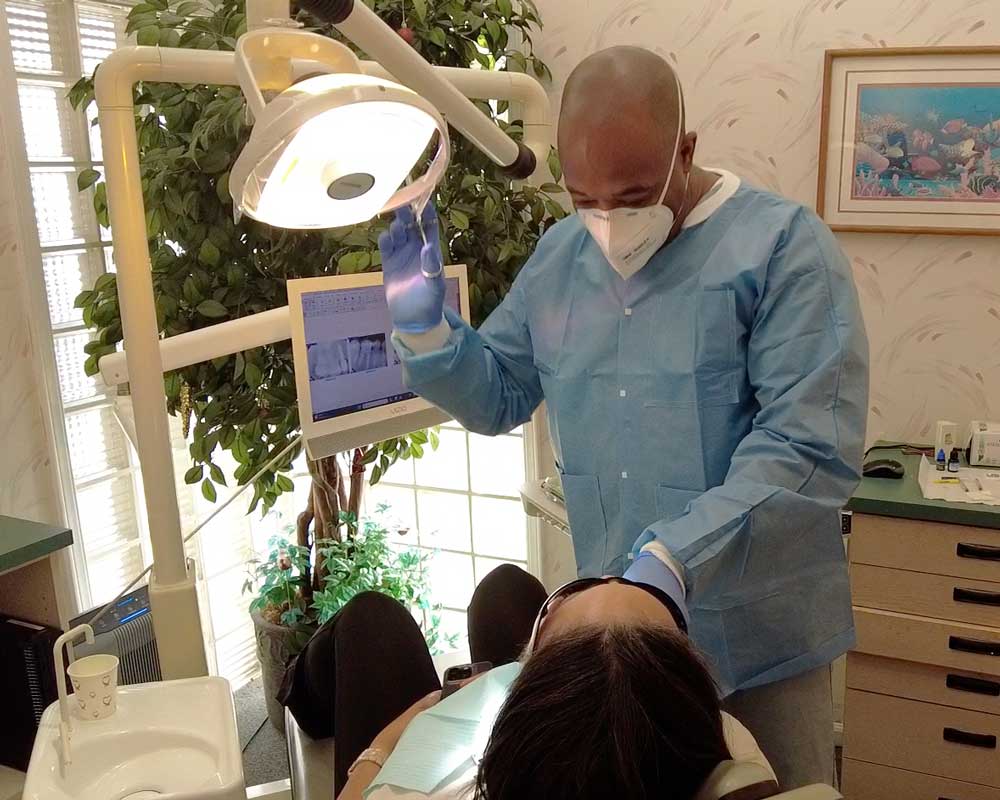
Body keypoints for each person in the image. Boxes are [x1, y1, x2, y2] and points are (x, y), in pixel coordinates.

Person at [378, 45, 869, 787]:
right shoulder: (560, 259)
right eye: (585, 199)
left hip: (761, 642)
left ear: (686, 152)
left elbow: (807, 447)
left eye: (635, 195)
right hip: (624, 653)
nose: (608, 222)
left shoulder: (781, 250)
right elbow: (497, 393)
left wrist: (674, 559)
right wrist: (424, 328)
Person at [279, 564, 778, 800]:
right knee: (506, 590)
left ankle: (295, 689)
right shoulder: (726, 745)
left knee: (371, 617)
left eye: (556, 612)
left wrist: (390, 738)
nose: (611, 578)